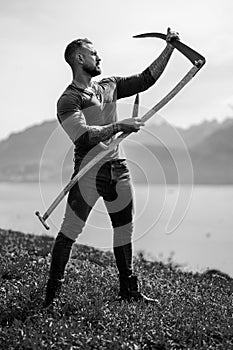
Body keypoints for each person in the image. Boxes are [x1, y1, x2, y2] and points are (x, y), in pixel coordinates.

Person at [43, 28, 180, 307]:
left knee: (124, 229)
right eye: (94, 53)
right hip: (88, 173)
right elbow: (83, 136)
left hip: (118, 169)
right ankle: (51, 297)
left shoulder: (110, 85)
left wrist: (169, 48)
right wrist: (120, 126)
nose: (100, 57)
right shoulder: (68, 100)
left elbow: (145, 79)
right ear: (80, 58)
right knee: (70, 231)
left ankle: (128, 291)